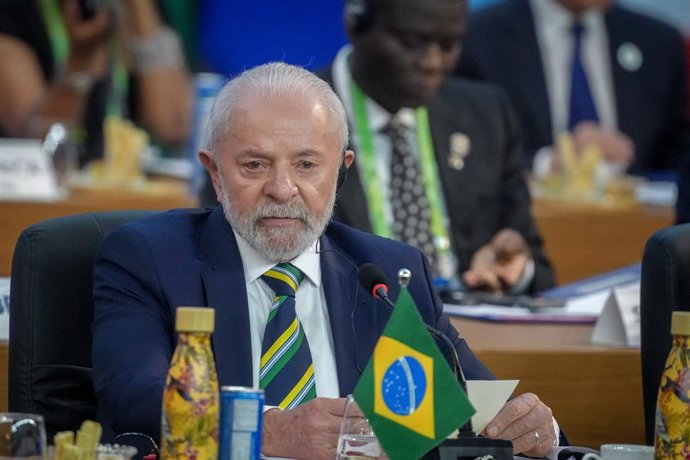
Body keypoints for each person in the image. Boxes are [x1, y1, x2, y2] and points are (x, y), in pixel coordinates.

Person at [92, 62, 559, 459]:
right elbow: (135, 399)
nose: (282, 188)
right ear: (214, 173)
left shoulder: (384, 275)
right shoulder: (150, 258)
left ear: (341, 172)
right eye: (254, 165)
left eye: (307, 165)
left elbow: (472, 407)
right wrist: (272, 431)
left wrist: (536, 428)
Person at [318, 0, 555, 294]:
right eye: (411, 42)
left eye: (449, 45)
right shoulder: (296, 117)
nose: (432, 62)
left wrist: (514, 269)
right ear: (356, 23)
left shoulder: (486, 116)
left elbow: (538, 270)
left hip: (469, 328)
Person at [455, 0, 690, 178]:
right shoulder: (478, 37)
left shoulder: (658, 41)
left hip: (637, 224)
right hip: (532, 221)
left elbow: (678, 153)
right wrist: (546, 163)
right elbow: (464, 152)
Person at [0, 0, 192, 165]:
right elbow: (37, 150)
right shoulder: (11, 9)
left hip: (122, 197)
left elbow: (174, 125)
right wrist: (80, 63)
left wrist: (139, 9)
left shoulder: (137, 8)